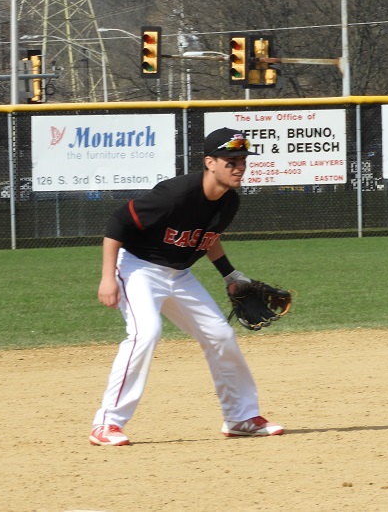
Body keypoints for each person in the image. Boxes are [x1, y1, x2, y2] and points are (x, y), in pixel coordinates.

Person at [90, 127, 284, 446]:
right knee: (145, 332)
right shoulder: (174, 195)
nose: (239, 167)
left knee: (220, 334)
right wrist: (108, 276)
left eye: (242, 160)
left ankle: (240, 417)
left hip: (179, 275)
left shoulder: (228, 202)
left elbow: (206, 238)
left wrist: (230, 276)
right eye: (230, 160)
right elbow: (117, 223)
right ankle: (107, 422)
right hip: (138, 268)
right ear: (210, 162)